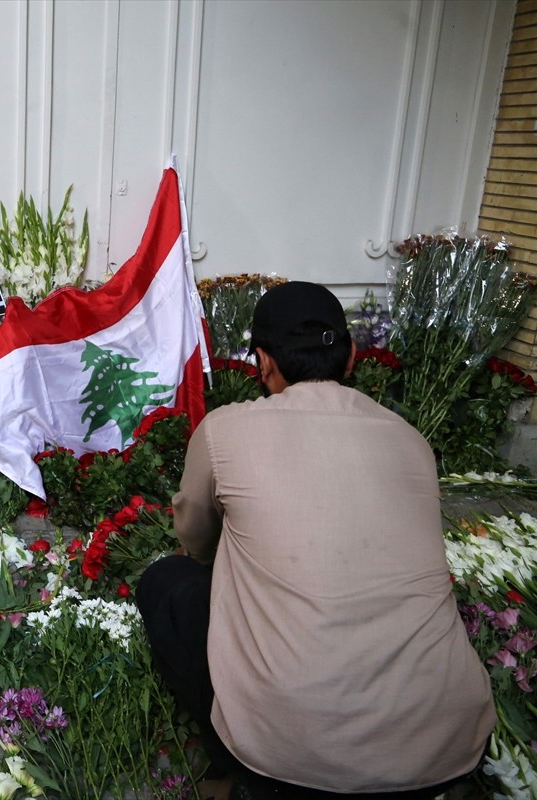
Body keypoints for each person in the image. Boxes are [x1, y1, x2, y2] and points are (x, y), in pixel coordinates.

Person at [136, 282, 494, 799]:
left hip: (287, 753)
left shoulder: (226, 430)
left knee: (170, 581)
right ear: (350, 356)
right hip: (448, 742)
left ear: (262, 362)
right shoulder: (410, 441)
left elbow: (195, 538)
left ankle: (227, 763)